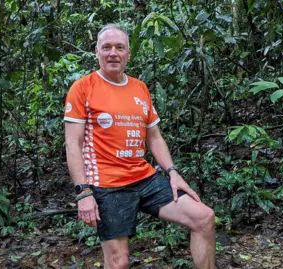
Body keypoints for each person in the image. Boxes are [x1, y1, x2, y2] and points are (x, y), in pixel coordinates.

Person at [64, 24, 215, 269]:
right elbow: (73, 143)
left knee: (204, 218)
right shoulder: (82, 88)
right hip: (107, 184)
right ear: (97, 52)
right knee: (119, 262)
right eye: (107, 48)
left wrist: (173, 173)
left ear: (128, 54)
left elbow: (153, 137)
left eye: (119, 47)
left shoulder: (140, 88)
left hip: (144, 178)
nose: (113, 53)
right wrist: (83, 193)